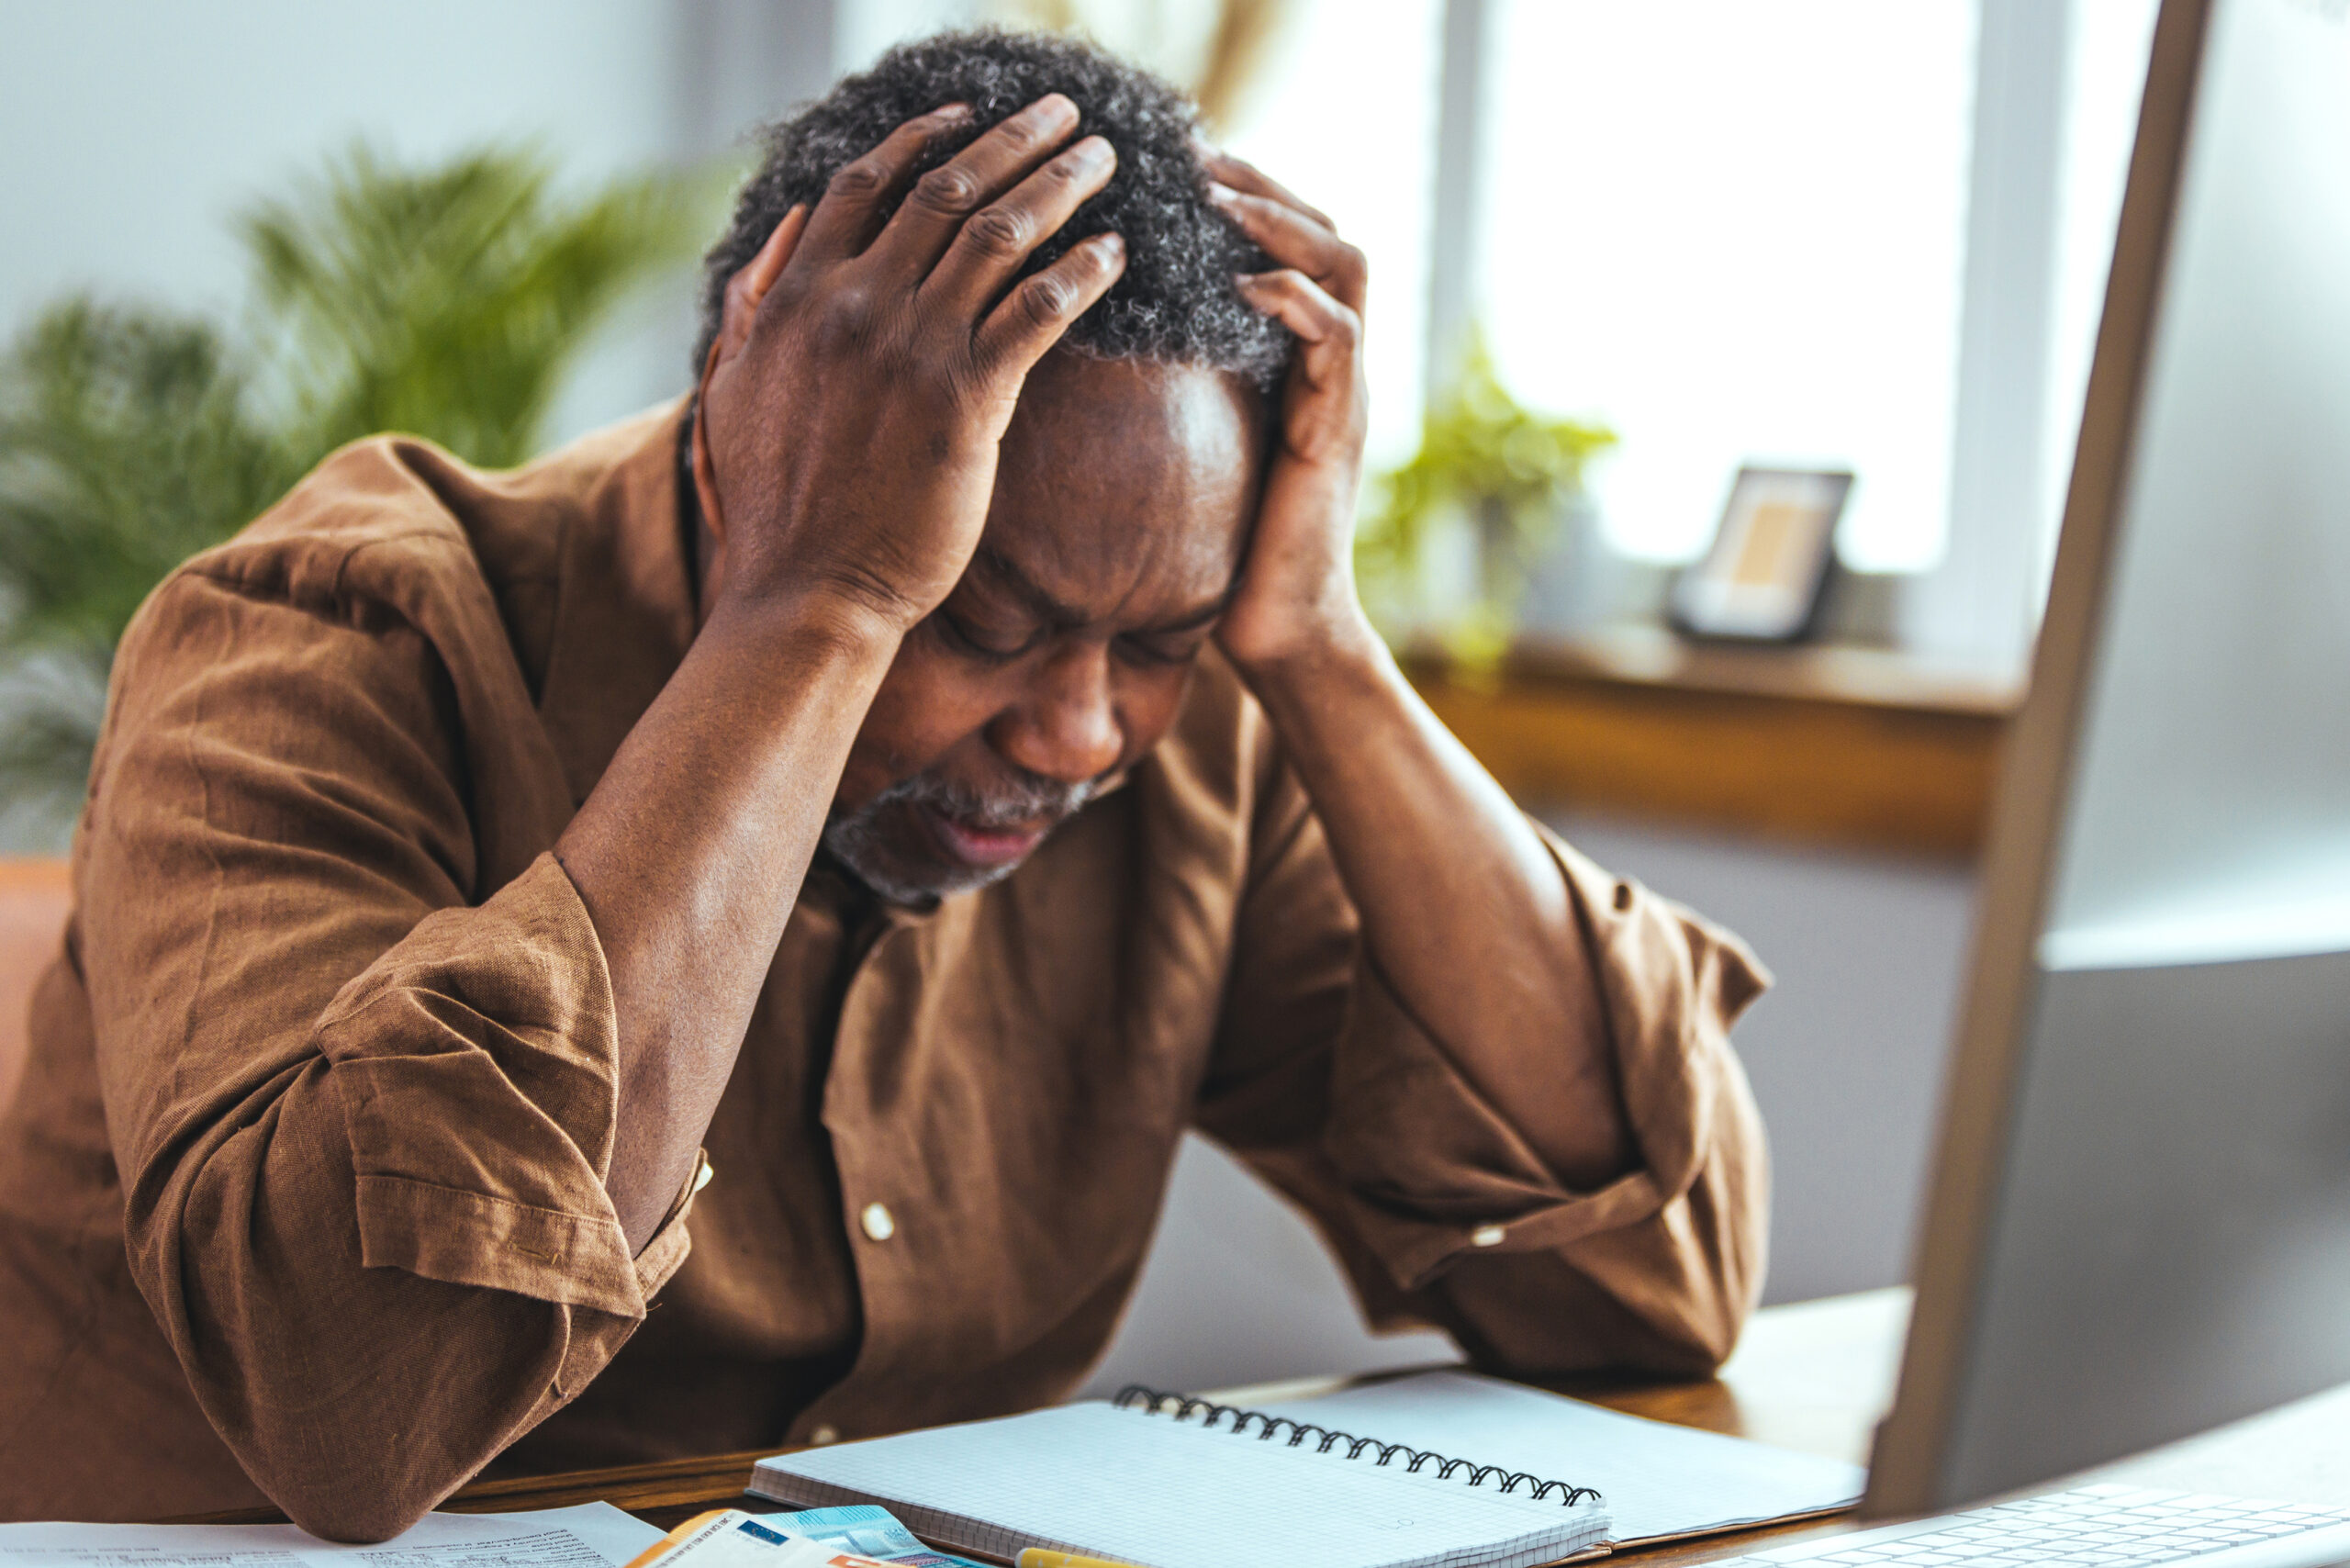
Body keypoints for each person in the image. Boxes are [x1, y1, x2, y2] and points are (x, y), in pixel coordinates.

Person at [0, 30, 1768, 1540]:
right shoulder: (322, 642)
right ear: (745, 424)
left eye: (1163, 639)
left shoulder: (1194, 726)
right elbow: (352, 1410)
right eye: (980, 618)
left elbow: (1647, 1289)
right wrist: (820, 606)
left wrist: (1315, 647)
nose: (1080, 733)